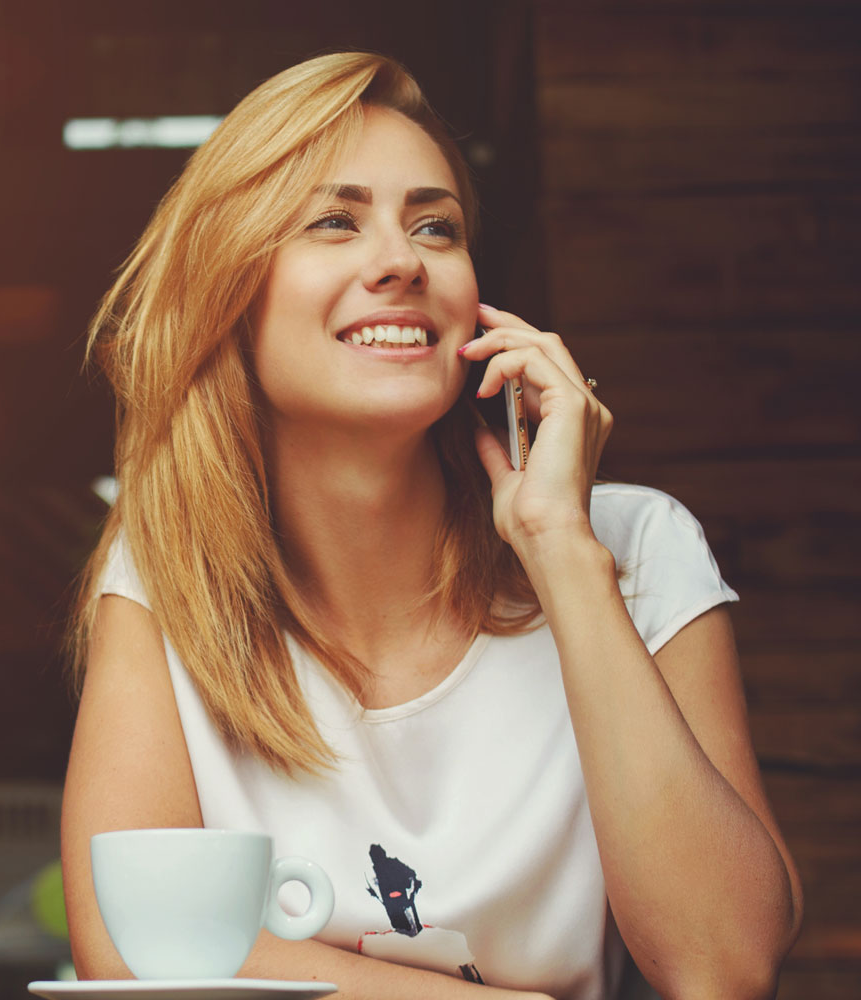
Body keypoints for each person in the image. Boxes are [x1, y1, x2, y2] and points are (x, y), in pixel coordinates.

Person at [58, 51, 802, 1000]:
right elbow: (132, 950)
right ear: (231, 293)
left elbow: (725, 965)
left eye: (435, 226)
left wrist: (563, 555)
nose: (402, 260)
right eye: (335, 220)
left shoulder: (637, 546)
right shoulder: (164, 573)